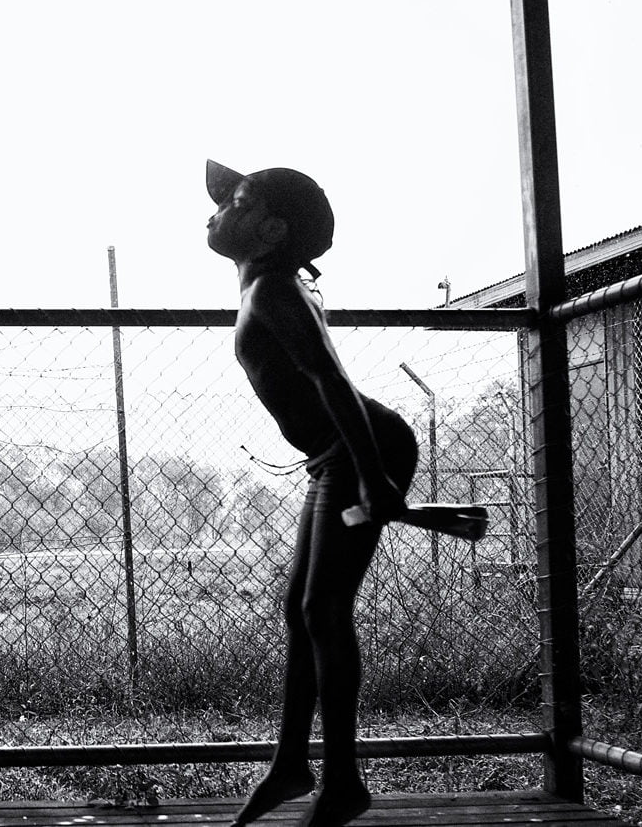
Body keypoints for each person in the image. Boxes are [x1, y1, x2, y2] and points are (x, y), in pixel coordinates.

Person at [204, 159, 417, 827]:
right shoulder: (266, 285)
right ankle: (291, 764)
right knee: (301, 609)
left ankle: (344, 781)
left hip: (364, 451)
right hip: (338, 460)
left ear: (269, 228)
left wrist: (375, 478)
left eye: (233, 202)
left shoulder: (275, 291)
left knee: (323, 611)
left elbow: (331, 381)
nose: (213, 213)